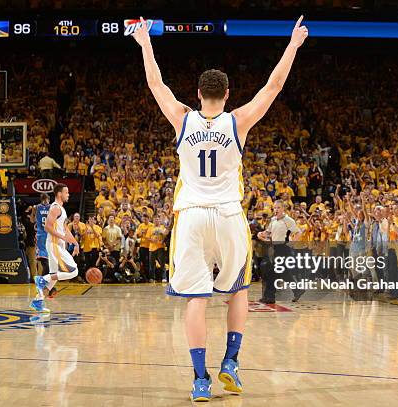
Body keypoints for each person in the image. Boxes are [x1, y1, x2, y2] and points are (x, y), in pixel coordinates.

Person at [132, 15, 308, 401]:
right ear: (227, 94)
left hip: (192, 216)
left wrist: (145, 43)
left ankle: (199, 379)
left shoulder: (182, 119)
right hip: (229, 216)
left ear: (197, 94)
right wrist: (293, 44)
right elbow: (273, 85)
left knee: (197, 298)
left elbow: (156, 84)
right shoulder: (238, 121)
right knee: (238, 290)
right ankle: (231, 362)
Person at [30, 184, 79, 313]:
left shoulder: (62, 209)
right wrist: (63, 237)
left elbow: (65, 229)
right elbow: (47, 227)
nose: (68, 194)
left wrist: (75, 243)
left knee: (53, 278)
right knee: (74, 272)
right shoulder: (56, 208)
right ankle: (41, 279)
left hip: (57, 245)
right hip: (54, 245)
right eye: (66, 192)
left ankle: (38, 301)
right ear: (59, 194)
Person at [35, 193, 57, 298]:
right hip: (46, 236)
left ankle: (47, 287)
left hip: (43, 236)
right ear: (47, 199)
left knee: (49, 263)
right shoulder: (52, 207)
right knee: (47, 263)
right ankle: (44, 286)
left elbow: (31, 220)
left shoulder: (37, 207)